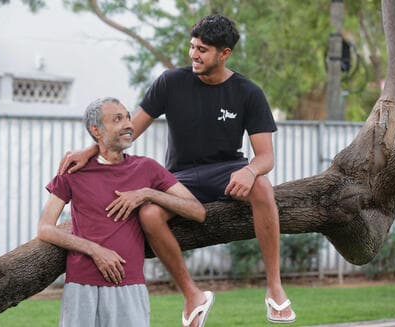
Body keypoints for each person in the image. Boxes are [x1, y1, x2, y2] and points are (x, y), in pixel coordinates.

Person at [59, 15, 296, 325]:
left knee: (263, 186)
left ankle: (274, 288)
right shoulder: (170, 83)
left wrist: (250, 171)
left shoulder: (248, 93)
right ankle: (192, 294)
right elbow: (130, 131)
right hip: (180, 177)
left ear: (225, 53)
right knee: (149, 214)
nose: (194, 55)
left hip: (228, 170)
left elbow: (266, 157)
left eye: (203, 50)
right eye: (192, 47)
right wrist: (91, 149)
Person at [38, 97, 212, 327]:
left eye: (128, 117)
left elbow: (197, 211)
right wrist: (95, 250)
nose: (128, 124)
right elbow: (45, 228)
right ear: (96, 130)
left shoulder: (147, 168)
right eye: (117, 119)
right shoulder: (73, 171)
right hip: (82, 285)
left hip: (129, 284)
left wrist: (148, 194)